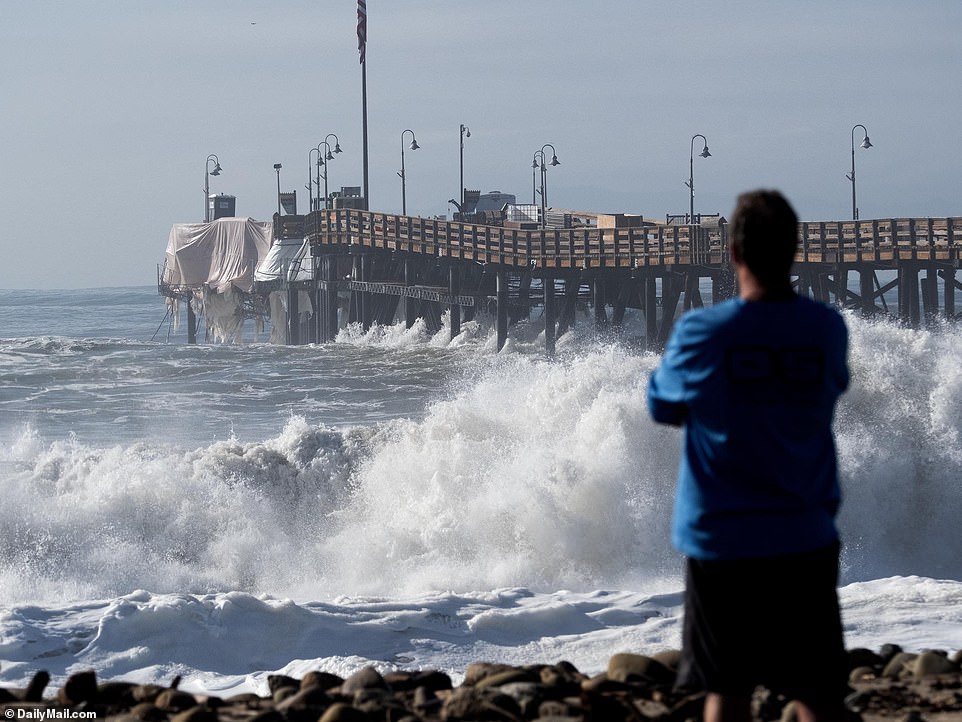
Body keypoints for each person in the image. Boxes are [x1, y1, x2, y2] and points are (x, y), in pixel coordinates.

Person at [647, 190, 850, 722]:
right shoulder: (826, 329)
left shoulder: (701, 332)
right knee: (818, 695)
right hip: (803, 534)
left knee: (727, 690)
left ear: (733, 254)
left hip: (723, 539)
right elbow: (834, 385)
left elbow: (663, 406)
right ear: (794, 250)